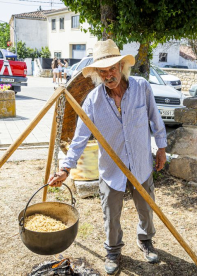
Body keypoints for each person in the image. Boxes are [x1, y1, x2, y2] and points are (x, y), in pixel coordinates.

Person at [47, 39, 167, 275]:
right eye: (102, 71)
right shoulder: (92, 101)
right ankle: (113, 250)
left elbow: (156, 118)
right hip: (112, 169)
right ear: (97, 74)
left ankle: (145, 240)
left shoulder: (142, 87)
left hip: (141, 164)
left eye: (112, 69)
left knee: (146, 208)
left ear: (122, 67)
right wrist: (66, 168)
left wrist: (161, 148)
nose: (108, 75)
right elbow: (80, 138)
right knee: (111, 215)